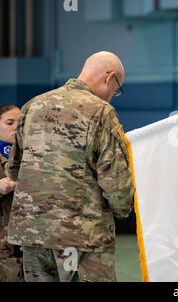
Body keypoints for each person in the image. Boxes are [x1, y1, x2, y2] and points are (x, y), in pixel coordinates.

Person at [6, 51, 134, 282]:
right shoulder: (101, 111)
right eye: (116, 90)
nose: (112, 97)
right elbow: (117, 184)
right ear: (110, 78)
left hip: (33, 233)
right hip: (82, 236)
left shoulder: (32, 106)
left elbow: (14, 169)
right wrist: (123, 211)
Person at [0, 104, 22, 282]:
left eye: (20, 122)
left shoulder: (33, 154)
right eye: (9, 122)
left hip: (29, 240)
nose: (16, 126)